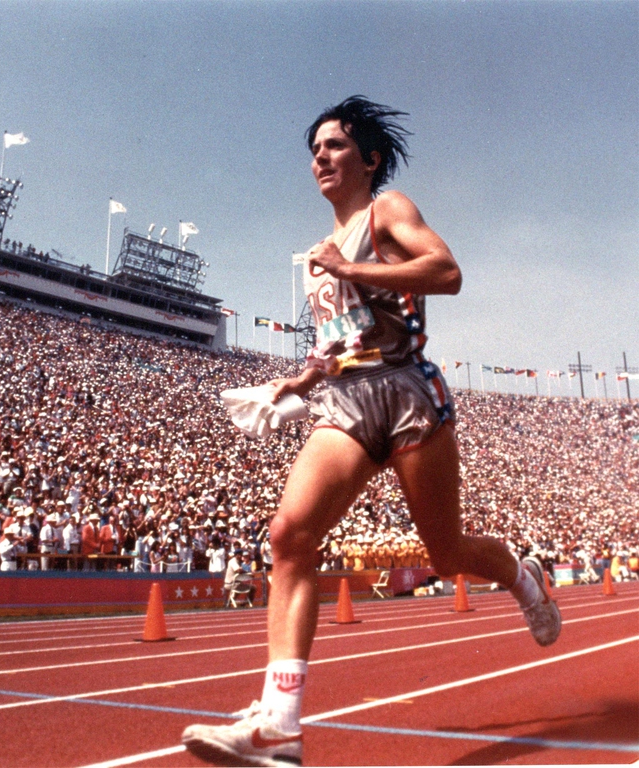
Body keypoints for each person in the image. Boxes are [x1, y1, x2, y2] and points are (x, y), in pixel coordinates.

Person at [182, 95, 561, 767]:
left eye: (333, 146)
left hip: (410, 394)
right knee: (289, 535)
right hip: (348, 403)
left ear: (370, 159)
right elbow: (340, 345)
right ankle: (281, 724)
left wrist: (352, 266)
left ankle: (518, 575)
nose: (319, 158)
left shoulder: (387, 212)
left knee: (444, 555)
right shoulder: (316, 260)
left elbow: (447, 272)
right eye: (314, 151)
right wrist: (298, 384)